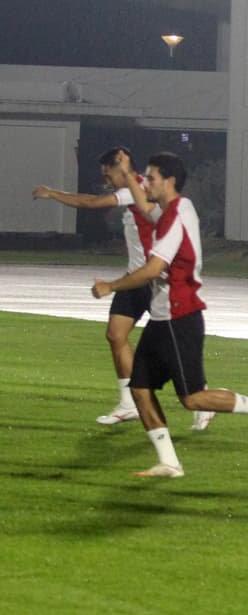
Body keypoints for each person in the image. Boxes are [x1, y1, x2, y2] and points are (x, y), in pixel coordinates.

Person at [90, 152, 248, 477]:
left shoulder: (175, 216)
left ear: (168, 182)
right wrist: (127, 174)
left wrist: (111, 286)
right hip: (161, 319)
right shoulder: (173, 209)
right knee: (140, 390)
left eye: (151, 178)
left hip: (179, 318)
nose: (147, 182)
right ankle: (169, 462)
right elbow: (144, 207)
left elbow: (154, 267)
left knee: (194, 399)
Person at [33, 146, 158, 425]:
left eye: (108, 174)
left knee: (170, 346)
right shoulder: (133, 191)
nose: (107, 180)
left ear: (120, 167)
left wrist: (52, 193)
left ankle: (202, 399)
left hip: (156, 280)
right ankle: (129, 404)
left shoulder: (138, 188)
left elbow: (92, 202)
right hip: (132, 278)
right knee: (115, 335)